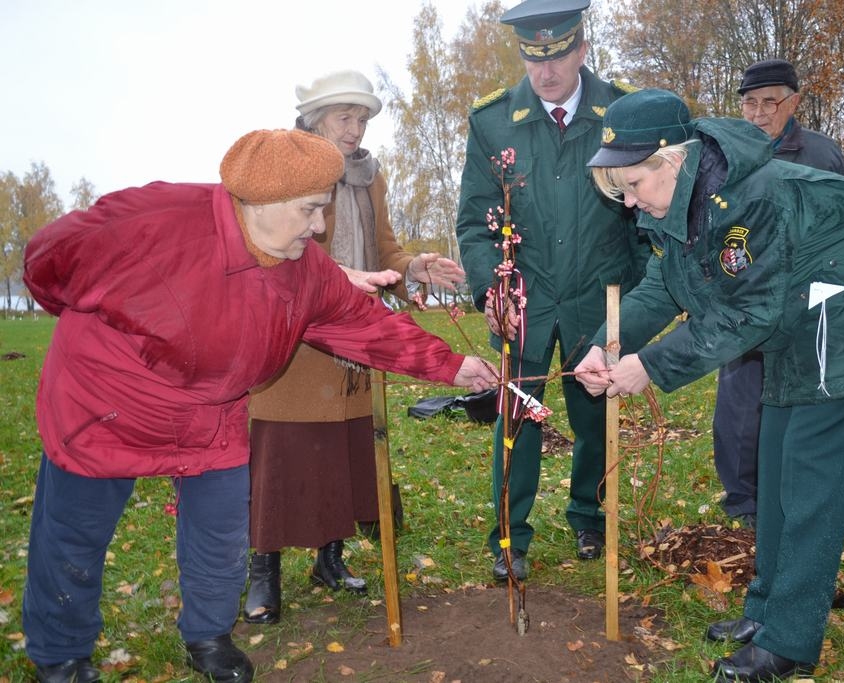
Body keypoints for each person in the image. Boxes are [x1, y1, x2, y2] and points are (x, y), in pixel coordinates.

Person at [21, 128, 496, 683]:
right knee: (75, 535)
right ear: (261, 201)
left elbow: (363, 325)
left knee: (221, 533)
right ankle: (61, 655)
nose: (320, 227)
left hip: (212, 411)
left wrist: (453, 366)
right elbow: (49, 259)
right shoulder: (153, 221)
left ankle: (209, 635)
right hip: (106, 400)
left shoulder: (304, 267)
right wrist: (91, 323)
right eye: (311, 210)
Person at [575, 89, 844, 681]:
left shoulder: (747, 201)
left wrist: (650, 367)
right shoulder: (680, 209)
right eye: (620, 190)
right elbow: (663, 289)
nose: (631, 203)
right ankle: (764, 612)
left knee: (812, 478)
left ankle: (788, 640)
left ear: (674, 160)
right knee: (775, 466)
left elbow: (746, 313)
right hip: (799, 319)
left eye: (635, 184)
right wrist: (604, 342)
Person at [242, 69, 467, 625]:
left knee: (344, 453)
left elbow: (383, 251)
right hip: (293, 335)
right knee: (279, 455)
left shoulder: (370, 177)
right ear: (315, 120)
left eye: (362, 118)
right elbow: (265, 247)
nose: (356, 128)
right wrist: (329, 278)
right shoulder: (284, 169)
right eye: (345, 116)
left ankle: (329, 560)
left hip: (355, 335)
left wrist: (413, 267)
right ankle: (263, 574)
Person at [455, 0, 650, 582]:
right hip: (526, 302)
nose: (546, 72)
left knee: (595, 415)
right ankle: (510, 536)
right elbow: (474, 222)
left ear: (581, 49)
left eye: (558, 55)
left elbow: (645, 221)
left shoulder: (620, 111)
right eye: (533, 58)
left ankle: (589, 514)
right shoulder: (492, 123)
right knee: (517, 419)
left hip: (600, 296)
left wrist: (637, 297)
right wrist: (497, 289)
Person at [711, 58, 844, 547]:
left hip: (817, 302)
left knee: (832, 401)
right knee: (739, 406)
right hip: (750, 302)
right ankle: (746, 502)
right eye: (749, 102)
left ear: (793, 103)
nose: (757, 112)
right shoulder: (728, 155)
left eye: (769, 102)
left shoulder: (821, 153)